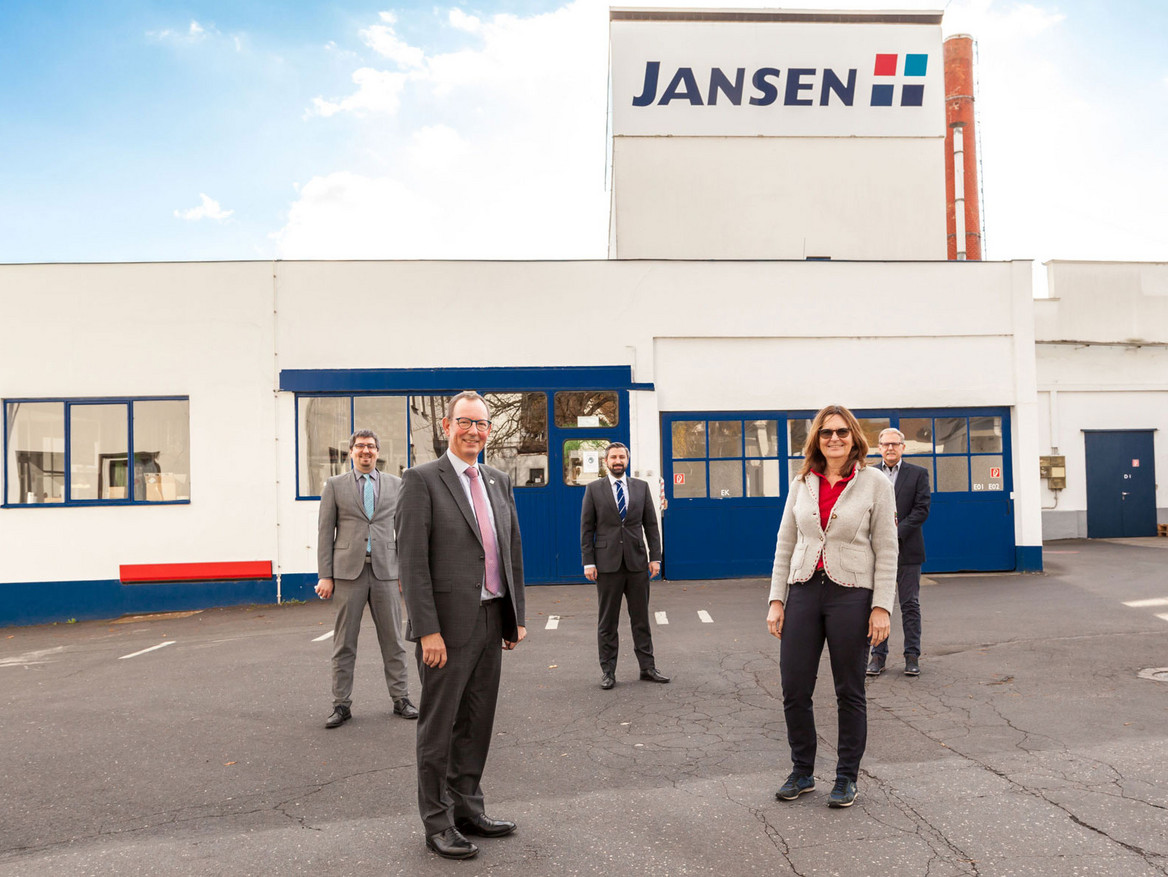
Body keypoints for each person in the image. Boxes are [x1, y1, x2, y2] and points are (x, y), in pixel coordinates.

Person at [397, 391, 527, 861]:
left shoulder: (497, 480)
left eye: (482, 424)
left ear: (490, 431)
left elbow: (510, 551)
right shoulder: (421, 480)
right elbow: (411, 562)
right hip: (446, 629)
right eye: (465, 422)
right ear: (448, 426)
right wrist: (426, 629)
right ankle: (436, 821)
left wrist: (516, 618)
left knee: (476, 722)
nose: (474, 431)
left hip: (492, 619)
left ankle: (468, 809)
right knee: (440, 726)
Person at [767, 405, 897, 808]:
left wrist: (882, 607)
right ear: (816, 440)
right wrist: (776, 600)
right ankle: (802, 771)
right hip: (804, 590)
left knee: (849, 690)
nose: (834, 439)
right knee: (794, 687)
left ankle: (846, 778)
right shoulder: (801, 481)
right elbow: (785, 543)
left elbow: (888, 547)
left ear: (854, 437)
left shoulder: (874, 482)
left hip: (852, 594)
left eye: (842, 432)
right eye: (826, 433)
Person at [315, 430, 417, 729]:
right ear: (351, 452)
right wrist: (325, 575)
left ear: (377, 452)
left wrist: (405, 572)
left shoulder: (397, 485)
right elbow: (325, 532)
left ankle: (401, 699)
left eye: (370, 447)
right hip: (348, 574)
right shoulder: (334, 486)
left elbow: (406, 531)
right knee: (344, 643)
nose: (365, 451)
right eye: (360, 447)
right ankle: (341, 705)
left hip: (386, 571)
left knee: (394, 641)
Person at [581, 442, 668, 690]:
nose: (618, 460)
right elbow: (587, 529)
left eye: (622, 457)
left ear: (627, 460)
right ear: (605, 461)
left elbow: (651, 525)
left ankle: (647, 668)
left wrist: (655, 557)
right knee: (607, 622)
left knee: (641, 619)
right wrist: (588, 561)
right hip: (606, 565)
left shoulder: (640, 488)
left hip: (637, 563)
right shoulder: (594, 489)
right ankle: (608, 671)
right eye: (613, 457)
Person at [867, 427, 931, 677]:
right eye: (885, 444)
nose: (890, 448)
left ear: (903, 447)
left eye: (895, 444)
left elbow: (921, 509)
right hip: (874, 552)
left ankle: (912, 656)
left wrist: (893, 533)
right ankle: (877, 657)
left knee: (910, 605)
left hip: (908, 551)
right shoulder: (868, 474)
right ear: (879, 447)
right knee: (876, 605)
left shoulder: (918, 474)